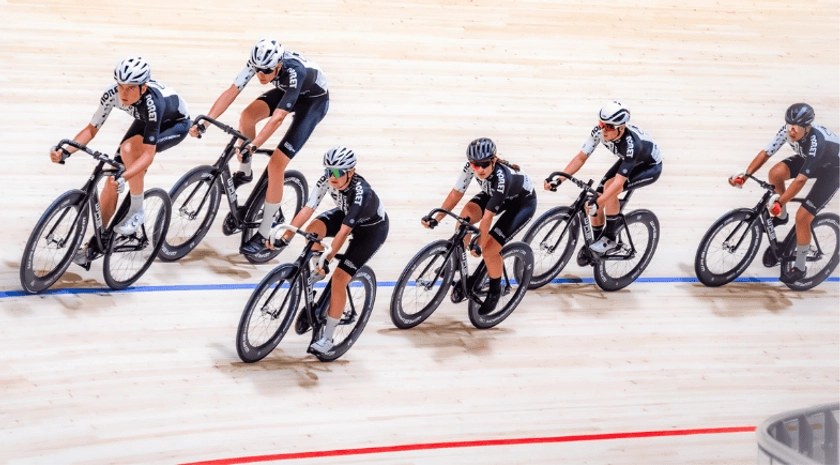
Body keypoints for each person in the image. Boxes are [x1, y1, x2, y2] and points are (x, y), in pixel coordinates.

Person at [189, 38, 329, 256]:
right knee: (247, 116)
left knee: (276, 165)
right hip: (289, 91)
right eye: (258, 71)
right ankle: (244, 173)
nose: (261, 76)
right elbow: (231, 91)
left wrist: (254, 145)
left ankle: (264, 235)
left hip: (312, 102)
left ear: (279, 65)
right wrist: (205, 122)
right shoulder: (257, 64)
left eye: (266, 71)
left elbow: (278, 118)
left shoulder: (294, 72)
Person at [49, 56, 190, 265]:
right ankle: (99, 240)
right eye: (120, 86)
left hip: (174, 125)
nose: (123, 93)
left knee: (129, 152)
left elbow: (148, 155)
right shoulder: (111, 94)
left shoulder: (153, 103)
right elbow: (91, 129)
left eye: (130, 88)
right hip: (145, 121)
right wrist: (66, 152)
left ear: (142, 88)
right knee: (111, 181)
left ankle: (137, 209)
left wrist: (127, 175)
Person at [272, 146, 388, 355]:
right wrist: (285, 237)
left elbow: (344, 233)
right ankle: (317, 270)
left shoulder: (362, 193)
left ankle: (327, 338)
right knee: (314, 228)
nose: (330, 176)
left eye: (336, 173)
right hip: (346, 215)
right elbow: (308, 208)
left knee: (340, 278)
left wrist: (328, 257)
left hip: (370, 232)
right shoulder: (327, 179)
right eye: (328, 171)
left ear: (350, 173)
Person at [423, 138, 537, 316]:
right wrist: (437, 218)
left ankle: (494, 291)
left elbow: (488, 217)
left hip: (521, 204)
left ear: (493, 160)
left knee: (490, 249)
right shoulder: (471, 168)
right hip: (494, 195)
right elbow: (455, 194)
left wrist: (480, 244)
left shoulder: (502, 177)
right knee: (464, 217)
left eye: (484, 164)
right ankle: (457, 262)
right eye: (475, 165)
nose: (480, 169)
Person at [728, 103, 839, 283]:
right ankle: (782, 217)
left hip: (833, 170)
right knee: (775, 173)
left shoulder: (816, 143)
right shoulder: (788, 131)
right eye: (788, 125)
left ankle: (800, 268)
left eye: (795, 127)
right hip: (811, 160)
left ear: (807, 128)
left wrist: (780, 201)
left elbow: (800, 180)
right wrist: (746, 175)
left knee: (803, 217)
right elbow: (765, 153)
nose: (791, 131)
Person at [547, 101, 662, 256]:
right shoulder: (599, 132)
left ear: (621, 128)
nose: (604, 130)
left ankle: (611, 240)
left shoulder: (631, 145)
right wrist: (560, 179)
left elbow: (618, 183)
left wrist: (599, 201)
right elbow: (580, 158)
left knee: (608, 189)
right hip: (628, 161)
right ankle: (597, 244)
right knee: (597, 197)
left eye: (609, 127)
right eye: (602, 124)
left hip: (649, 166)